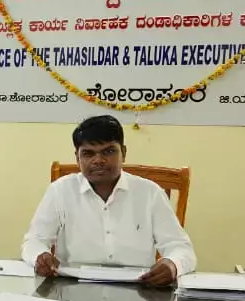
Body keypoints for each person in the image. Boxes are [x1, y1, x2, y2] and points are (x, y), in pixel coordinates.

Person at [21, 115, 197, 286]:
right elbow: (34, 241)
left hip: (138, 289)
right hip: (71, 286)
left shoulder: (150, 193)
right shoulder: (60, 190)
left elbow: (181, 249)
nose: (98, 160)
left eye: (109, 151)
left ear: (124, 153)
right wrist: (40, 256)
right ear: (77, 158)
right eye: (88, 153)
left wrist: (172, 264)